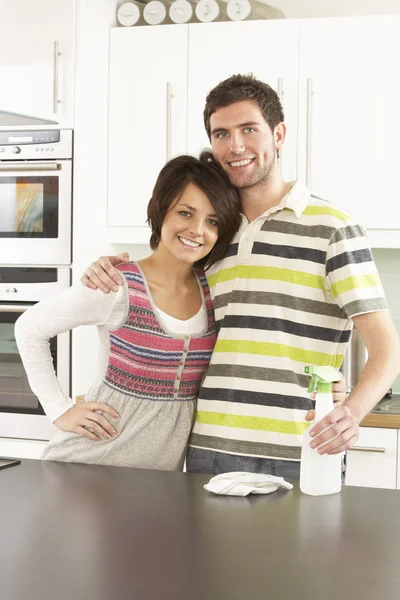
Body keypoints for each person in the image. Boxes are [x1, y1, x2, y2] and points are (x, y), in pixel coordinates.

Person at [82, 74, 400, 481]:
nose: (235, 146)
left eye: (249, 129)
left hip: (299, 449)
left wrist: (350, 412)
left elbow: (386, 348)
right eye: (221, 133)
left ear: (278, 134)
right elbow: (161, 282)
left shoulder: (332, 228)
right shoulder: (210, 234)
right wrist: (112, 269)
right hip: (205, 448)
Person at [14, 152, 242, 470]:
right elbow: (28, 328)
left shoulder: (212, 288)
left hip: (156, 485)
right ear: (162, 212)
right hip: (87, 467)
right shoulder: (116, 285)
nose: (197, 230)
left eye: (212, 221)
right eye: (186, 213)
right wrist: (59, 410)